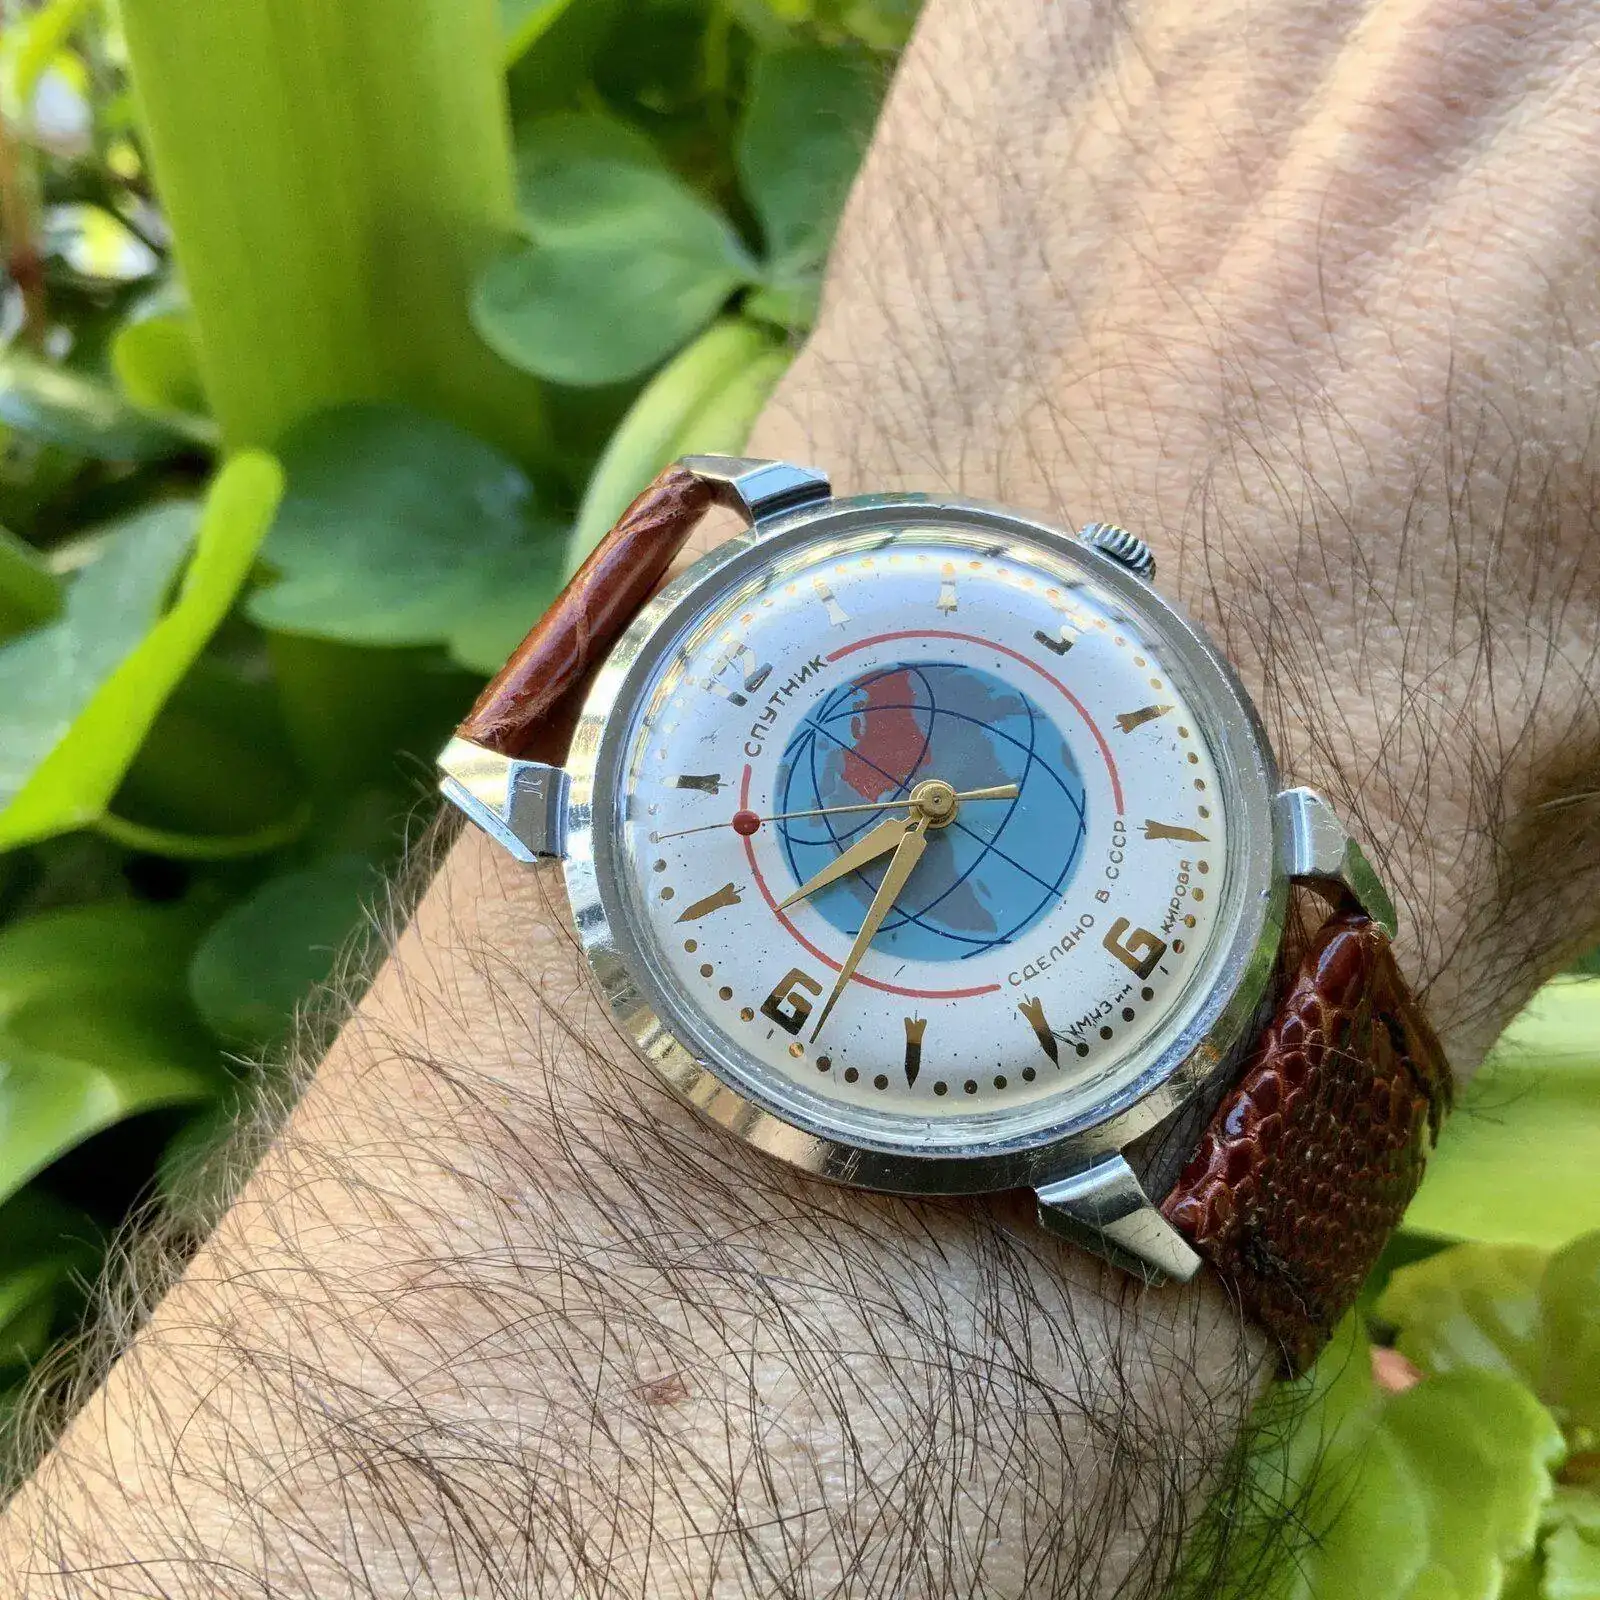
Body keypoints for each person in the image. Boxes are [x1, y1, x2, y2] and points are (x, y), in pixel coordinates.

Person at [4, 0, 1598, 1593]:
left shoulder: (1208, 982)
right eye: (915, 798)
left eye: (936, 801)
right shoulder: (635, 758)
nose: (929, 805)